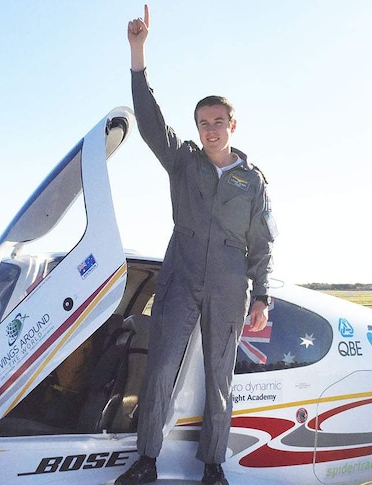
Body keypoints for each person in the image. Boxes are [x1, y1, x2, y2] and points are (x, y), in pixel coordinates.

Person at [117, 6, 276, 485]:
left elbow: (262, 241)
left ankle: (213, 467)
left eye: (219, 121)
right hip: (182, 275)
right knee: (162, 367)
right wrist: (138, 55)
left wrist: (262, 294)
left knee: (219, 379)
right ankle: (147, 461)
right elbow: (148, 122)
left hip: (230, 285)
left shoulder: (253, 180)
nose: (211, 128)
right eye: (204, 122)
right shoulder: (184, 161)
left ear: (233, 125)